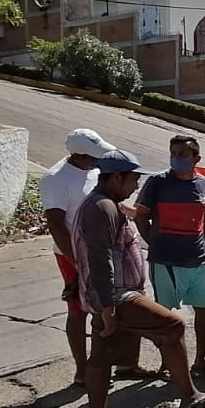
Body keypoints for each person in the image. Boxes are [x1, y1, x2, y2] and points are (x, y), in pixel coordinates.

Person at [72, 149, 205, 408]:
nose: (136, 186)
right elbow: (98, 257)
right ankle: (190, 396)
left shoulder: (101, 205)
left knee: (102, 355)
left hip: (105, 295)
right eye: (133, 179)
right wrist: (107, 308)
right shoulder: (102, 207)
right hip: (118, 296)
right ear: (116, 177)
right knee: (173, 325)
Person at [39, 129, 158, 386]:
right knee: (81, 310)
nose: (97, 162)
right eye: (94, 158)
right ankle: (84, 371)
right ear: (80, 156)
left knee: (125, 302)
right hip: (75, 253)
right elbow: (57, 226)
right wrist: (79, 265)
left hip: (112, 248)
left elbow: (114, 201)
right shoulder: (55, 180)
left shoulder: (97, 171)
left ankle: (127, 364)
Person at [134, 135, 205, 372]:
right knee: (164, 315)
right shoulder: (157, 182)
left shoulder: (204, 184)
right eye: (173, 153)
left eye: (182, 154)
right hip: (165, 261)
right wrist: (155, 243)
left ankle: (200, 360)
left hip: (198, 259)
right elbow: (141, 217)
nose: (176, 158)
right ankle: (166, 364)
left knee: (203, 310)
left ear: (196, 158)